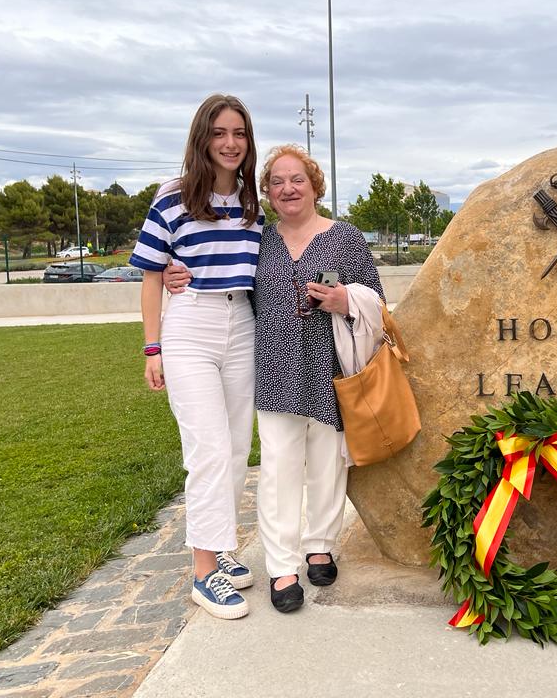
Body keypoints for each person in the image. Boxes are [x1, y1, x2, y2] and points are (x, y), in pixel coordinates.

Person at [164, 144, 383, 613]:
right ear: (266, 192)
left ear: (315, 185)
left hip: (331, 368)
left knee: (328, 464)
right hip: (275, 367)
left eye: (297, 179)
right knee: (279, 469)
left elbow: (377, 303)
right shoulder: (258, 238)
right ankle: (282, 565)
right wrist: (172, 270)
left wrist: (345, 299)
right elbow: (219, 271)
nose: (288, 189)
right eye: (277, 182)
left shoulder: (346, 237)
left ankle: (319, 543)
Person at [129, 94, 264, 620]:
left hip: (242, 325)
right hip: (190, 326)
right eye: (219, 133)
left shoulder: (252, 203)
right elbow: (150, 276)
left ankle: (222, 549)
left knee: (234, 449)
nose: (230, 144)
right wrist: (152, 347)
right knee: (207, 448)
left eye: (239, 134)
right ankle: (203, 573)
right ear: (202, 138)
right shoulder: (172, 198)